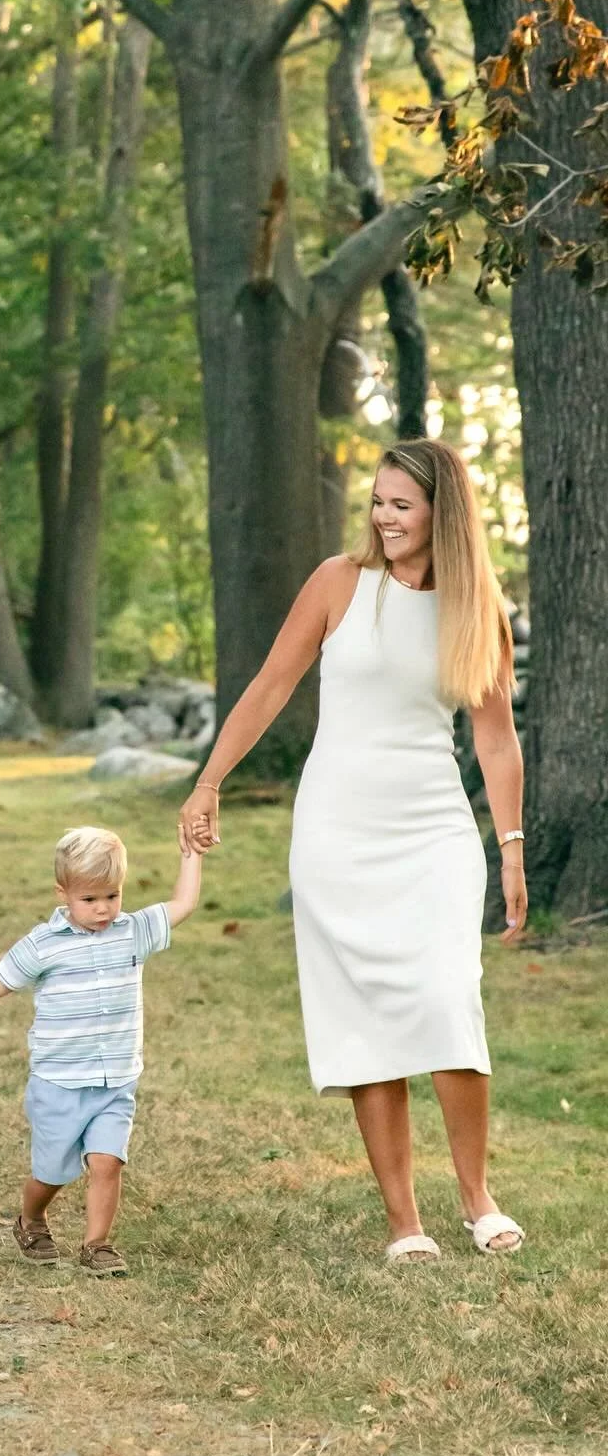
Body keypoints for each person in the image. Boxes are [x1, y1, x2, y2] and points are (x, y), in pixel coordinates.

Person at [179, 439, 526, 1262]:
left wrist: (509, 848)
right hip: (337, 829)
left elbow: (498, 741)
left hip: (435, 830)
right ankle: (405, 1220)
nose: (384, 517)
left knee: (448, 1001)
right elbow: (270, 684)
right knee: (365, 1019)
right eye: (377, 502)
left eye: (402, 505)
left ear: (443, 511)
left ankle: (478, 1199)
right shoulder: (340, 582)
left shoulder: (478, 609)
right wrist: (208, 781)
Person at [0, 826, 202, 1275]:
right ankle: (32, 1217)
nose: (103, 908)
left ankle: (96, 1244)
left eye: (112, 895)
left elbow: (182, 904)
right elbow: (0, 979)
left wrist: (191, 854)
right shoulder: (44, 944)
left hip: (115, 1080)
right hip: (59, 1082)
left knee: (107, 1162)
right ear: (63, 894)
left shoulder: (133, 932)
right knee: (53, 1172)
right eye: (89, 899)